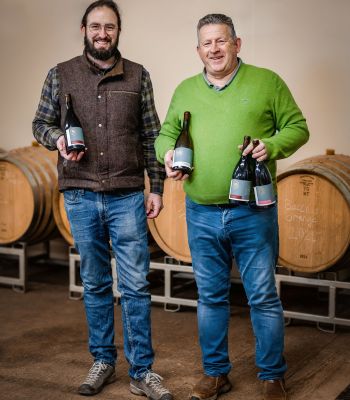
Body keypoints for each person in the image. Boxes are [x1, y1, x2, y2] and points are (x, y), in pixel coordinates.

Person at [155, 13, 309, 400]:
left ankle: (272, 376)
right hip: (201, 211)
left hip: (252, 212)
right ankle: (215, 373)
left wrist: (270, 146)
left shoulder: (266, 81)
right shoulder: (186, 89)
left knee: (261, 296)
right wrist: (168, 155)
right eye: (207, 43)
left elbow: (298, 127)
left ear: (237, 44)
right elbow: (166, 135)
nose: (214, 49)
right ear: (198, 50)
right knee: (210, 297)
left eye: (221, 41)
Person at [32, 1, 173, 399]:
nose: (102, 33)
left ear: (118, 31)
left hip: (127, 195)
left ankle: (142, 370)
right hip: (79, 193)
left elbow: (151, 135)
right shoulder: (60, 74)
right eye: (95, 26)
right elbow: (40, 122)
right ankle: (103, 361)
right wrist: (56, 140)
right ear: (83, 29)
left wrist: (157, 187)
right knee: (94, 284)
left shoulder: (138, 76)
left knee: (135, 286)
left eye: (109, 27)